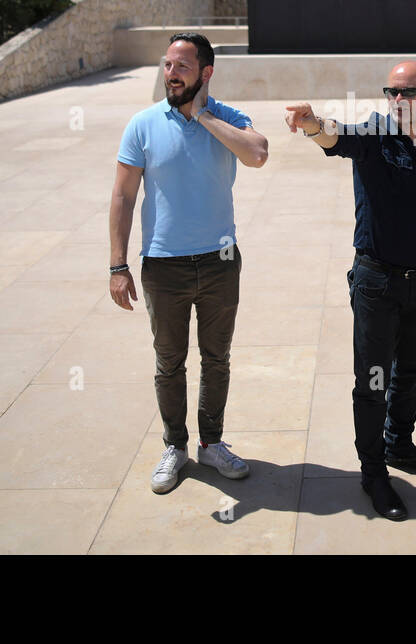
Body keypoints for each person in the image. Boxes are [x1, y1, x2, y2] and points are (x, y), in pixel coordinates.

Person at [285, 62, 416, 521]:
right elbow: (335, 137)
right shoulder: (373, 136)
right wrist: (311, 124)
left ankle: (400, 444)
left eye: (409, 93)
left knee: (412, 368)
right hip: (376, 282)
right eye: (392, 93)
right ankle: (374, 473)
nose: (399, 101)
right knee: (372, 382)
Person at [109, 33, 269, 495]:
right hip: (163, 264)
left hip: (220, 263)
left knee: (217, 358)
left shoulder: (228, 117)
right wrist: (117, 266)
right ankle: (174, 446)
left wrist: (201, 115)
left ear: (205, 73)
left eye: (182, 66)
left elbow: (257, 153)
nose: (172, 73)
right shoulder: (141, 124)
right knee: (169, 361)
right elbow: (123, 196)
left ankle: (212, 443)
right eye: (167, 65)